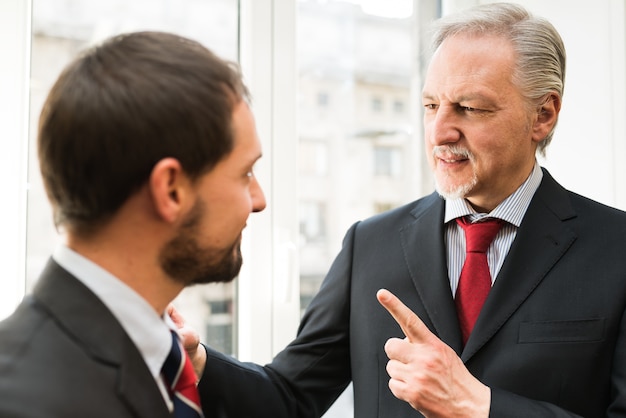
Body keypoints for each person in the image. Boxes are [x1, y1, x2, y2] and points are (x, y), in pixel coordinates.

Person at [187, 3, 626, 417]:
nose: (439, 131)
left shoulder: (616, 249)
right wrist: (196, 360)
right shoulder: (370, 244)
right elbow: (287, 397)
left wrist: (482, 407)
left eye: (469, 109)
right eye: (431, 106)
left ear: (543, 115)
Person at [0, 30, 287, 417]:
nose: (259, 200)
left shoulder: (160, 358)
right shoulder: (24, 400)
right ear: (170, 190)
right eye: (245, 173)